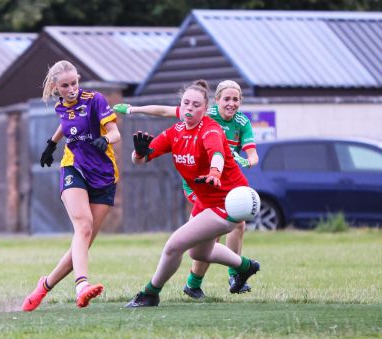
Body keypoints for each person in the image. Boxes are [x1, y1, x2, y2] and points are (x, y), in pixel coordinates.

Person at [113, 80, 258, 299]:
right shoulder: (175, 132)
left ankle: (150, 293)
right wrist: (139, 154)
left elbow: (217, 155)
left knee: (174, 245)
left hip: (227, 201)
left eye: (196, 105)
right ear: (181, 106)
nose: (190, 108)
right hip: (205, 200)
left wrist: (215, 173)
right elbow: (140, 161)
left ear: (205, 109)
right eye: (186, 103)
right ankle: (244, 266)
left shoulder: (211, 129)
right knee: (197, 252)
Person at [21, 60, 121, 311]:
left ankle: (44, 285)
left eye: (74, 82)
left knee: (83, 239)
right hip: (73, 166)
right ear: (56, 87)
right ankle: (82, 286)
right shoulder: (60, 106)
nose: (72, 89)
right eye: (65, 85)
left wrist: (105, 139)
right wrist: (52, 144)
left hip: (104, 175)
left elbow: (115, 133)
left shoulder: (95, 100)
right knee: (83, 226)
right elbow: (67, 123)